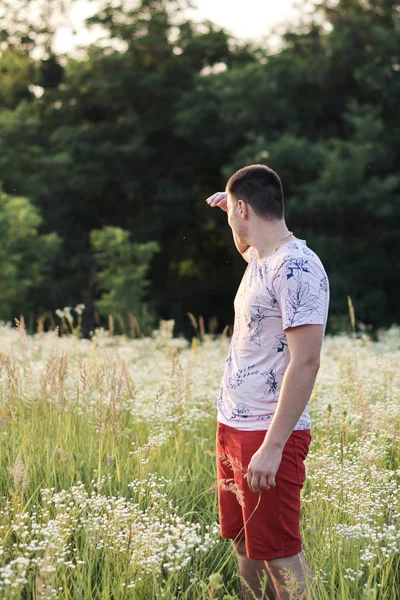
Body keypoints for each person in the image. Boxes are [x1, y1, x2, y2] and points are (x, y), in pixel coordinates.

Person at [206, 164, 329, 600]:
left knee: (279, 554)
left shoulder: (297, 267)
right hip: (234, 424)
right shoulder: (262, 256)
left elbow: (307, 362)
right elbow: (245, 243)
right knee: (245, 543)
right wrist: (233, 217)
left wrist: (273, 447)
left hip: (267, 433)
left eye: (232, 210)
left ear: (244, 207)